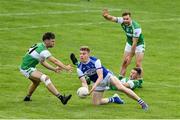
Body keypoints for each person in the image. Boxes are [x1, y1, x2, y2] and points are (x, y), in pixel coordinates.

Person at [73, 46, 148, 110]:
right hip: (99, 84)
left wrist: (92, 89)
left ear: (88, 54)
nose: (81, 55)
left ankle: (141, 102)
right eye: (80, 54)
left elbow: (100, 76)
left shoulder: (95, 61)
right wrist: (86, 90)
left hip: (107, 77)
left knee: (121, 87)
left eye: (83, 54)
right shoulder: (79, 68)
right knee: (96, 103)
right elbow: (84, 82)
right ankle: (114, 99)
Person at [19, 32, 72, 105]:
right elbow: (55, 61)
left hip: (28, 67)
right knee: (45, 78)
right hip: (26, 68)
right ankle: (62, 98)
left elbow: (42, 62)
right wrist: (66, 68)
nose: (54, 43)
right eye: (52, 41)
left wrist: (54, 69)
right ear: (46, 41)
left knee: (36, 82)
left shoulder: (39, 45)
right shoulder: (43, 50)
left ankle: (27, 97)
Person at [103, 9, 145, 80]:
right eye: (124, 19)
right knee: (124, 62)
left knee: (138, 64)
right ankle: (120, 80)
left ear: (130, 18)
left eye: (127, 19)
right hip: (129, 43)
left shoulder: (136, 27)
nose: (125, 20)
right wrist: (106, 16)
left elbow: (134, 43)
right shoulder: (122, 21)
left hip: (139, 45)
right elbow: (112, 18)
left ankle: (140, 81)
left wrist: (130, 56)